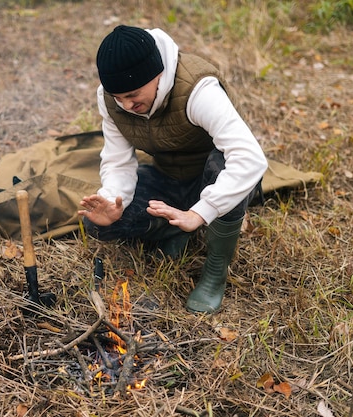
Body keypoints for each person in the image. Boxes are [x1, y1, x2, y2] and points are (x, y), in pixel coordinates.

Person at [77, 25, 268, 313]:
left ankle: (214, 273)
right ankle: (175, 230)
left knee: (224, 163)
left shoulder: (197, 89)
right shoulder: (112, 99)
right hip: (168, 176)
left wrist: (200, 212)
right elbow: (118, 159)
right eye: (118, 97)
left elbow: (249, 157)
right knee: (98, 223)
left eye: (132, 94)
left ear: (157, 73)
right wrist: (114, 198)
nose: (126, 105)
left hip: (213, 177)